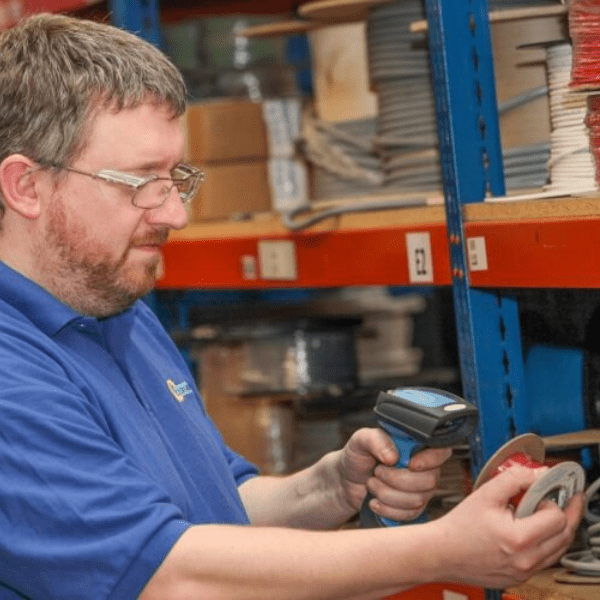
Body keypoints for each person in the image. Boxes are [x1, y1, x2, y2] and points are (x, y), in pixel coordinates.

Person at [0, 12, 583, 600]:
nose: (175, 213)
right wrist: (443, 550)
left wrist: (327, 489)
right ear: (25, 186)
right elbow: (170, 576)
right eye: (142, 182)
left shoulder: (111, 302)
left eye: (176, 177)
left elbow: (214, 511)